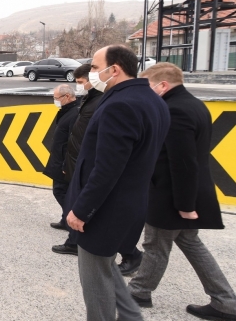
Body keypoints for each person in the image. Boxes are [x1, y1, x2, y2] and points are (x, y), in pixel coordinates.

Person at [66, 45, 170, 321]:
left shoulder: (119, 105)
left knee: (95, 279)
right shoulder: (153, 100)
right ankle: (131, 315)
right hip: (129, 204)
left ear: (115, 69)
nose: (92, 73)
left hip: (106, 209)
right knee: (106, 267)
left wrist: (82, 210)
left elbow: (108, 168)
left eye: (95, 67)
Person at [128, 63, 236, 320]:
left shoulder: (174, 110)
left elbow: (183, 162)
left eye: (147, 87)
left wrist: (185, 205)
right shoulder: (195, 105)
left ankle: (138, 291)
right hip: (183, 191)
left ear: (163, 85)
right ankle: (225, 301)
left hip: (172, 195)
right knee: (189, 242)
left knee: (155, 245)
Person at [54, 64, 144, 275]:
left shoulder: (107, 102)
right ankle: (73, 241)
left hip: (89, 165)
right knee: (74, 202)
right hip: (79, 161)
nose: (80, 86)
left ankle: (131, 254)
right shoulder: (92, 100)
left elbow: (103, 146)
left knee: (97, 214)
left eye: (81, 81)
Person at [43, 84, 78, 233]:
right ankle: (66, 220)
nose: (55, 100)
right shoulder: (67, 111)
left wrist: (66, 164)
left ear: (67, 96)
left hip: (64, 162)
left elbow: (73, 141)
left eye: (56, 98)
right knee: (62, 191)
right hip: (59, 159)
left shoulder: (75, 113)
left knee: (60, 191)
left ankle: (73, 221)